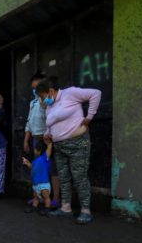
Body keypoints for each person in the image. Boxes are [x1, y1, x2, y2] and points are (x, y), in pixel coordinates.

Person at [38, 76, 101, 224]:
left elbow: (96, 93)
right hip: (59, 146)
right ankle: (65, 208)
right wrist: (48, 133)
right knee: (64, 178)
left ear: (51, 91)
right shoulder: (50, 105)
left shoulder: (70, 93)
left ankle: (86, 211)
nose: (42, 100)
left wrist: (90, 117)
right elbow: (51, 121)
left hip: (77, 143)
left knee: (79, 177)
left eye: (43, 96)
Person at [24, 71, 59, 208]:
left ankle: (55, 199)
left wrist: (43, 99)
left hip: (48, 139)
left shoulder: (49, 101)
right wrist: (26, 140)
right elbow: (29, 122)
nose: (35, 90)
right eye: (33, 88)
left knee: (54, 170)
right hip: (36, 139)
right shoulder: (32, 103)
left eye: (37, 87)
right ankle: (38, 196)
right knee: (37, 169)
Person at [22, 137, 53, 216]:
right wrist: (27, 163)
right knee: (35, 197)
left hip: (43, 183)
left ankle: (47, 208)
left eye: (35, 149)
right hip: (36, 184)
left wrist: (49, 143)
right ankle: (34, 206)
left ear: (37, 150)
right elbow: (32, 167)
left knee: (46, 197)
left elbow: (49, 147)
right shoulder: (36, 161)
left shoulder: (44, 158)